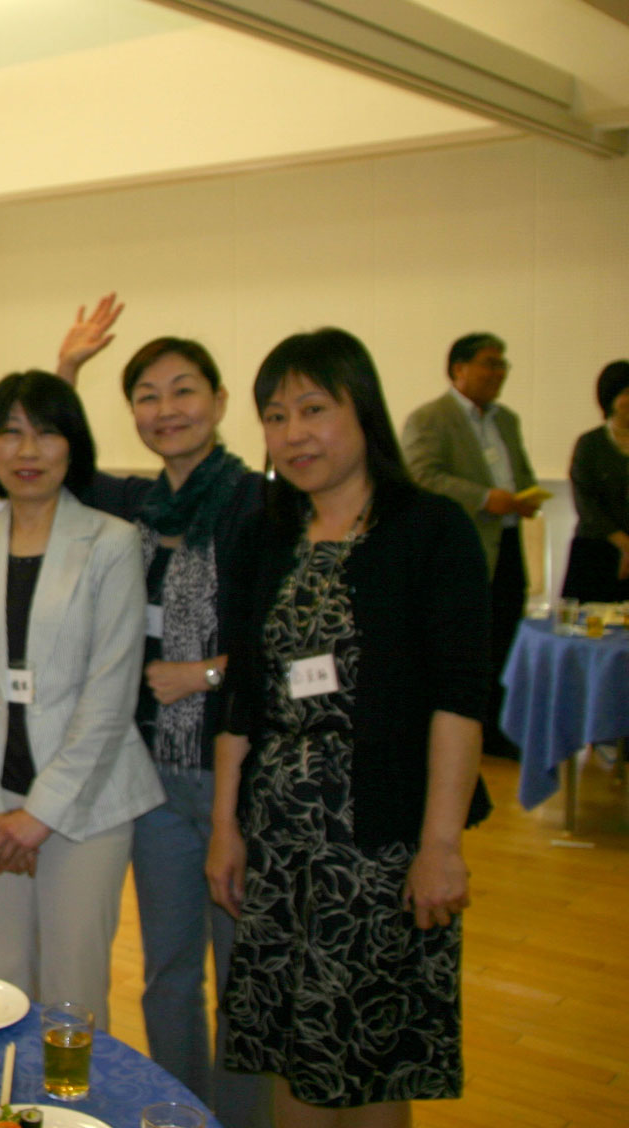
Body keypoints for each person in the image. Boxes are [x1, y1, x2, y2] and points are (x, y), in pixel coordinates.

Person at [208, 328, 489, 1128]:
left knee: (371, 1053)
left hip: (381, 841)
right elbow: (243, 697)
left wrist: (440, 845)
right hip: (280, 837)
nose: (293, 433)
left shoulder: (429, 529)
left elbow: (459, 700)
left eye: (313, 409)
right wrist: (226, 828)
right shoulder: (263, 535)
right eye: (275, 416)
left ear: (362, 411)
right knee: (293, 1049)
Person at [60, 333, 270, 1128]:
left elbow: (280, 640)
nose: (166, 409)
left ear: (219, 402)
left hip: (234, 773)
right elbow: (62, 464)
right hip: (148, 777)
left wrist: (205, 673)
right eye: (147, 396)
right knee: (168, 972)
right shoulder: (137, 504)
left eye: (184, 391)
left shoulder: (258, 506)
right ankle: (181, 1113)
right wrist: (66, 373)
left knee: (241, 976)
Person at [0, 370, 162, 1025]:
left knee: (73, 995)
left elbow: (110, 697)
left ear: (73, 444)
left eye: (47, 433)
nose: (27, 451)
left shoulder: (111, 543)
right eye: (10, 433)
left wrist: (39, 815)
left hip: (86, 805)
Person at [401, 334, 543, 758]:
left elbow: (520, 473)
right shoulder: (430, 418)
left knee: (505, 636)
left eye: (503, 365)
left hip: (509, 542)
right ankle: (466, 731)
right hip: (461, 548)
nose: (499, 373)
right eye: (489, 363)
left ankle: (500, 730)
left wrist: (525, 496)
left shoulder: (507, 420)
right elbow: (421, 477)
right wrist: (484, 498)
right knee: (467, 644)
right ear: (458, 369)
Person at [560, 360, 629, 603]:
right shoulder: (589, 444)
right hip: (595, 551)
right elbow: (584, 502)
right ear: (609, 398)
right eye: (624, 393)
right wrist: (624, 543)